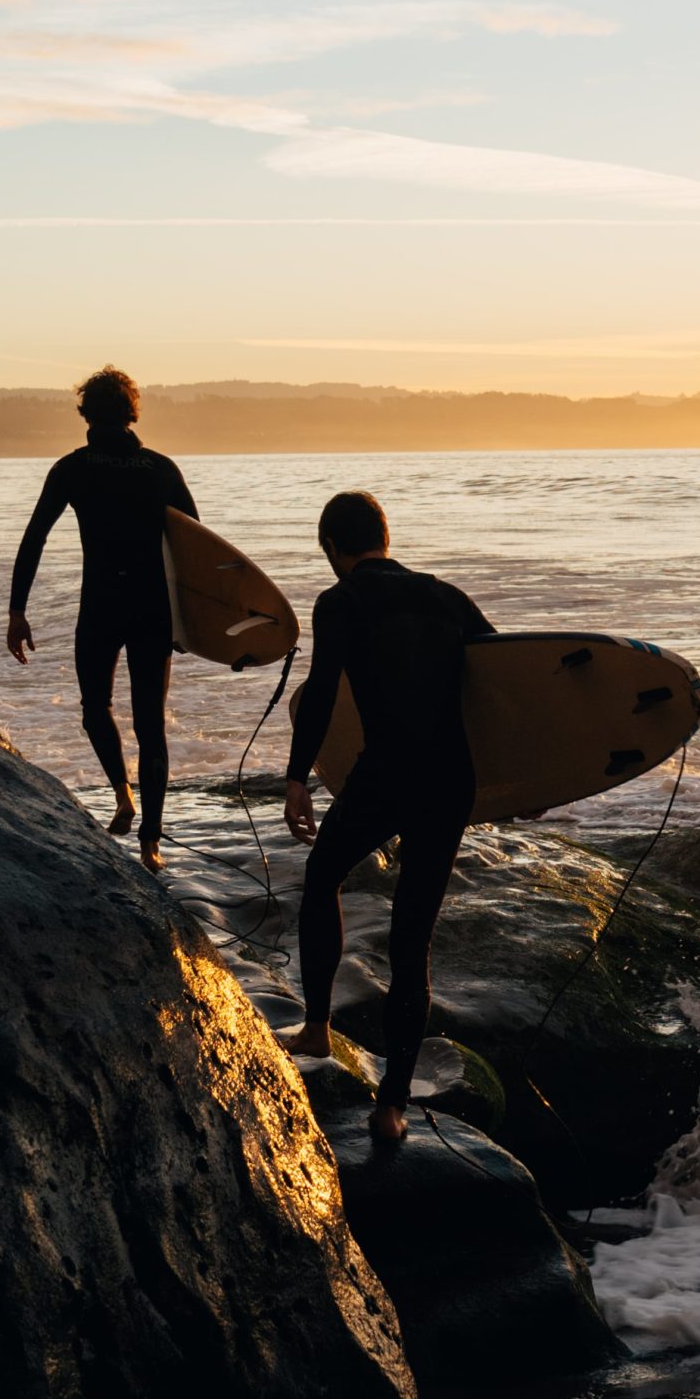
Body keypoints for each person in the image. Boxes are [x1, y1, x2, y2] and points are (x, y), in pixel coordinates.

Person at [281, 490, 494, 1144]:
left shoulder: (340, 601)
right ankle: (392, 1107)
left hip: (386, 773)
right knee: (412, 943)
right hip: (448, 782)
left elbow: (320, 692)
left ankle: (317, 1024)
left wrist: (297, 778)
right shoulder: (446, 596)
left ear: (332, 549)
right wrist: (523, 782)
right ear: (385, 536)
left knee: (323, 878)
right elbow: (502, 685)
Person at [8, 366, 195, 872]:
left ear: (86, 413)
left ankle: (123, 796)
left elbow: (35, 538)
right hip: (152, 610)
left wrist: (18, 609)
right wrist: (191, 624)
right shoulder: (159, 469)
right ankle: (149, 838)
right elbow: (196, 550)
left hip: (101, 608)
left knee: (96, 709)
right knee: (149, 727)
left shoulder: (74, 469)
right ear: (131, 412)